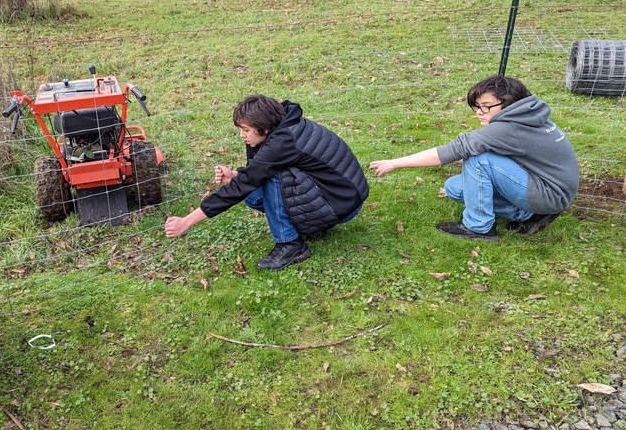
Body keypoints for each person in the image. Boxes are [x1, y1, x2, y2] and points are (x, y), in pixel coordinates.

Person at [165, 94, 369, 270]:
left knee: (272, 177)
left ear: (264, 128)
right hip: (341, 196)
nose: (241, 135)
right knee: (254, 191)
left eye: (246, 129)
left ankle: (290, 245)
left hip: (342, 203)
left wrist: (187, 221)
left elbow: (248, 182)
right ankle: (311, 226)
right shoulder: (284, 124)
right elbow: (253, 173)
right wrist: (236, 175)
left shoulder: (281, 143)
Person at [369, 75, 579, 241]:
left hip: (550, 194)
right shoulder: (528, 115)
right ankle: (526, 215)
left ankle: (479, 227)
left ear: (507, 103)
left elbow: (453, 151)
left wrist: (395, 163)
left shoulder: (508, 128)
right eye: (477, 107)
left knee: (479, 160)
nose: (479, 112)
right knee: (455, 187)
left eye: (486, 106)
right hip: (547, 186)